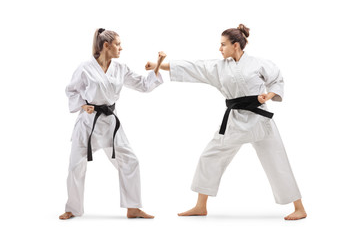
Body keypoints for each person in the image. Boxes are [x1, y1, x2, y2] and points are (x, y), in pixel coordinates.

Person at [146, 24, 307, 220]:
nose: (220, 48)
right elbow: (193, 67)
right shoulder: (218, 68)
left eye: (223, 44)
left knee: (277, 160)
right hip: (235, 120)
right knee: (210, 156)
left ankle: (299, 208)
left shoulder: (258, 63)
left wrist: (270, 95)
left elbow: (276, 79)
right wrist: (158, 66)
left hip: (259, 119)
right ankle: (200, 206)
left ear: (236, 45)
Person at [59, 28, 166, 220]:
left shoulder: (120, 68)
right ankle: (73, 209)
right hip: (88, 124)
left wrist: (158, 65)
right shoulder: (85, 68)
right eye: (118, 44)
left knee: (130, 161)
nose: (121, 48)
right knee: (76, 166)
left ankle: (133, 207)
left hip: (110, 124)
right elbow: (71, 91)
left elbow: (142, 84)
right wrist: (83, 105)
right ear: (106, 46)